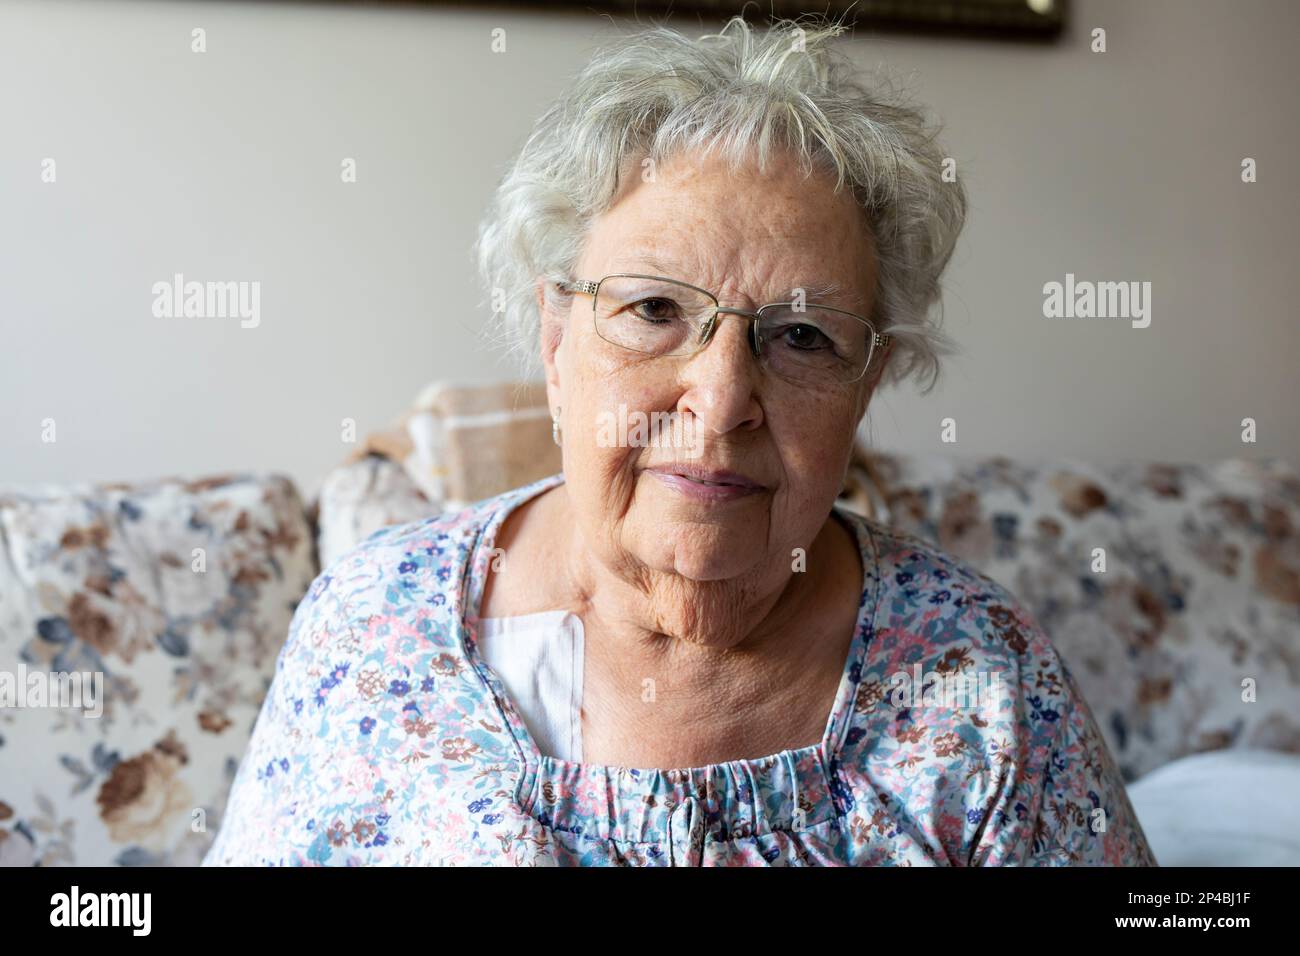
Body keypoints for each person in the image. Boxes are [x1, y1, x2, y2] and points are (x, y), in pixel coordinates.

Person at [205, 15, 1155, 866]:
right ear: (555, 340)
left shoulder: (982, 682)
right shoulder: (370, 627)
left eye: (802, 337)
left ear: (866, 387)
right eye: (655, 309)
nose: (723, 399)